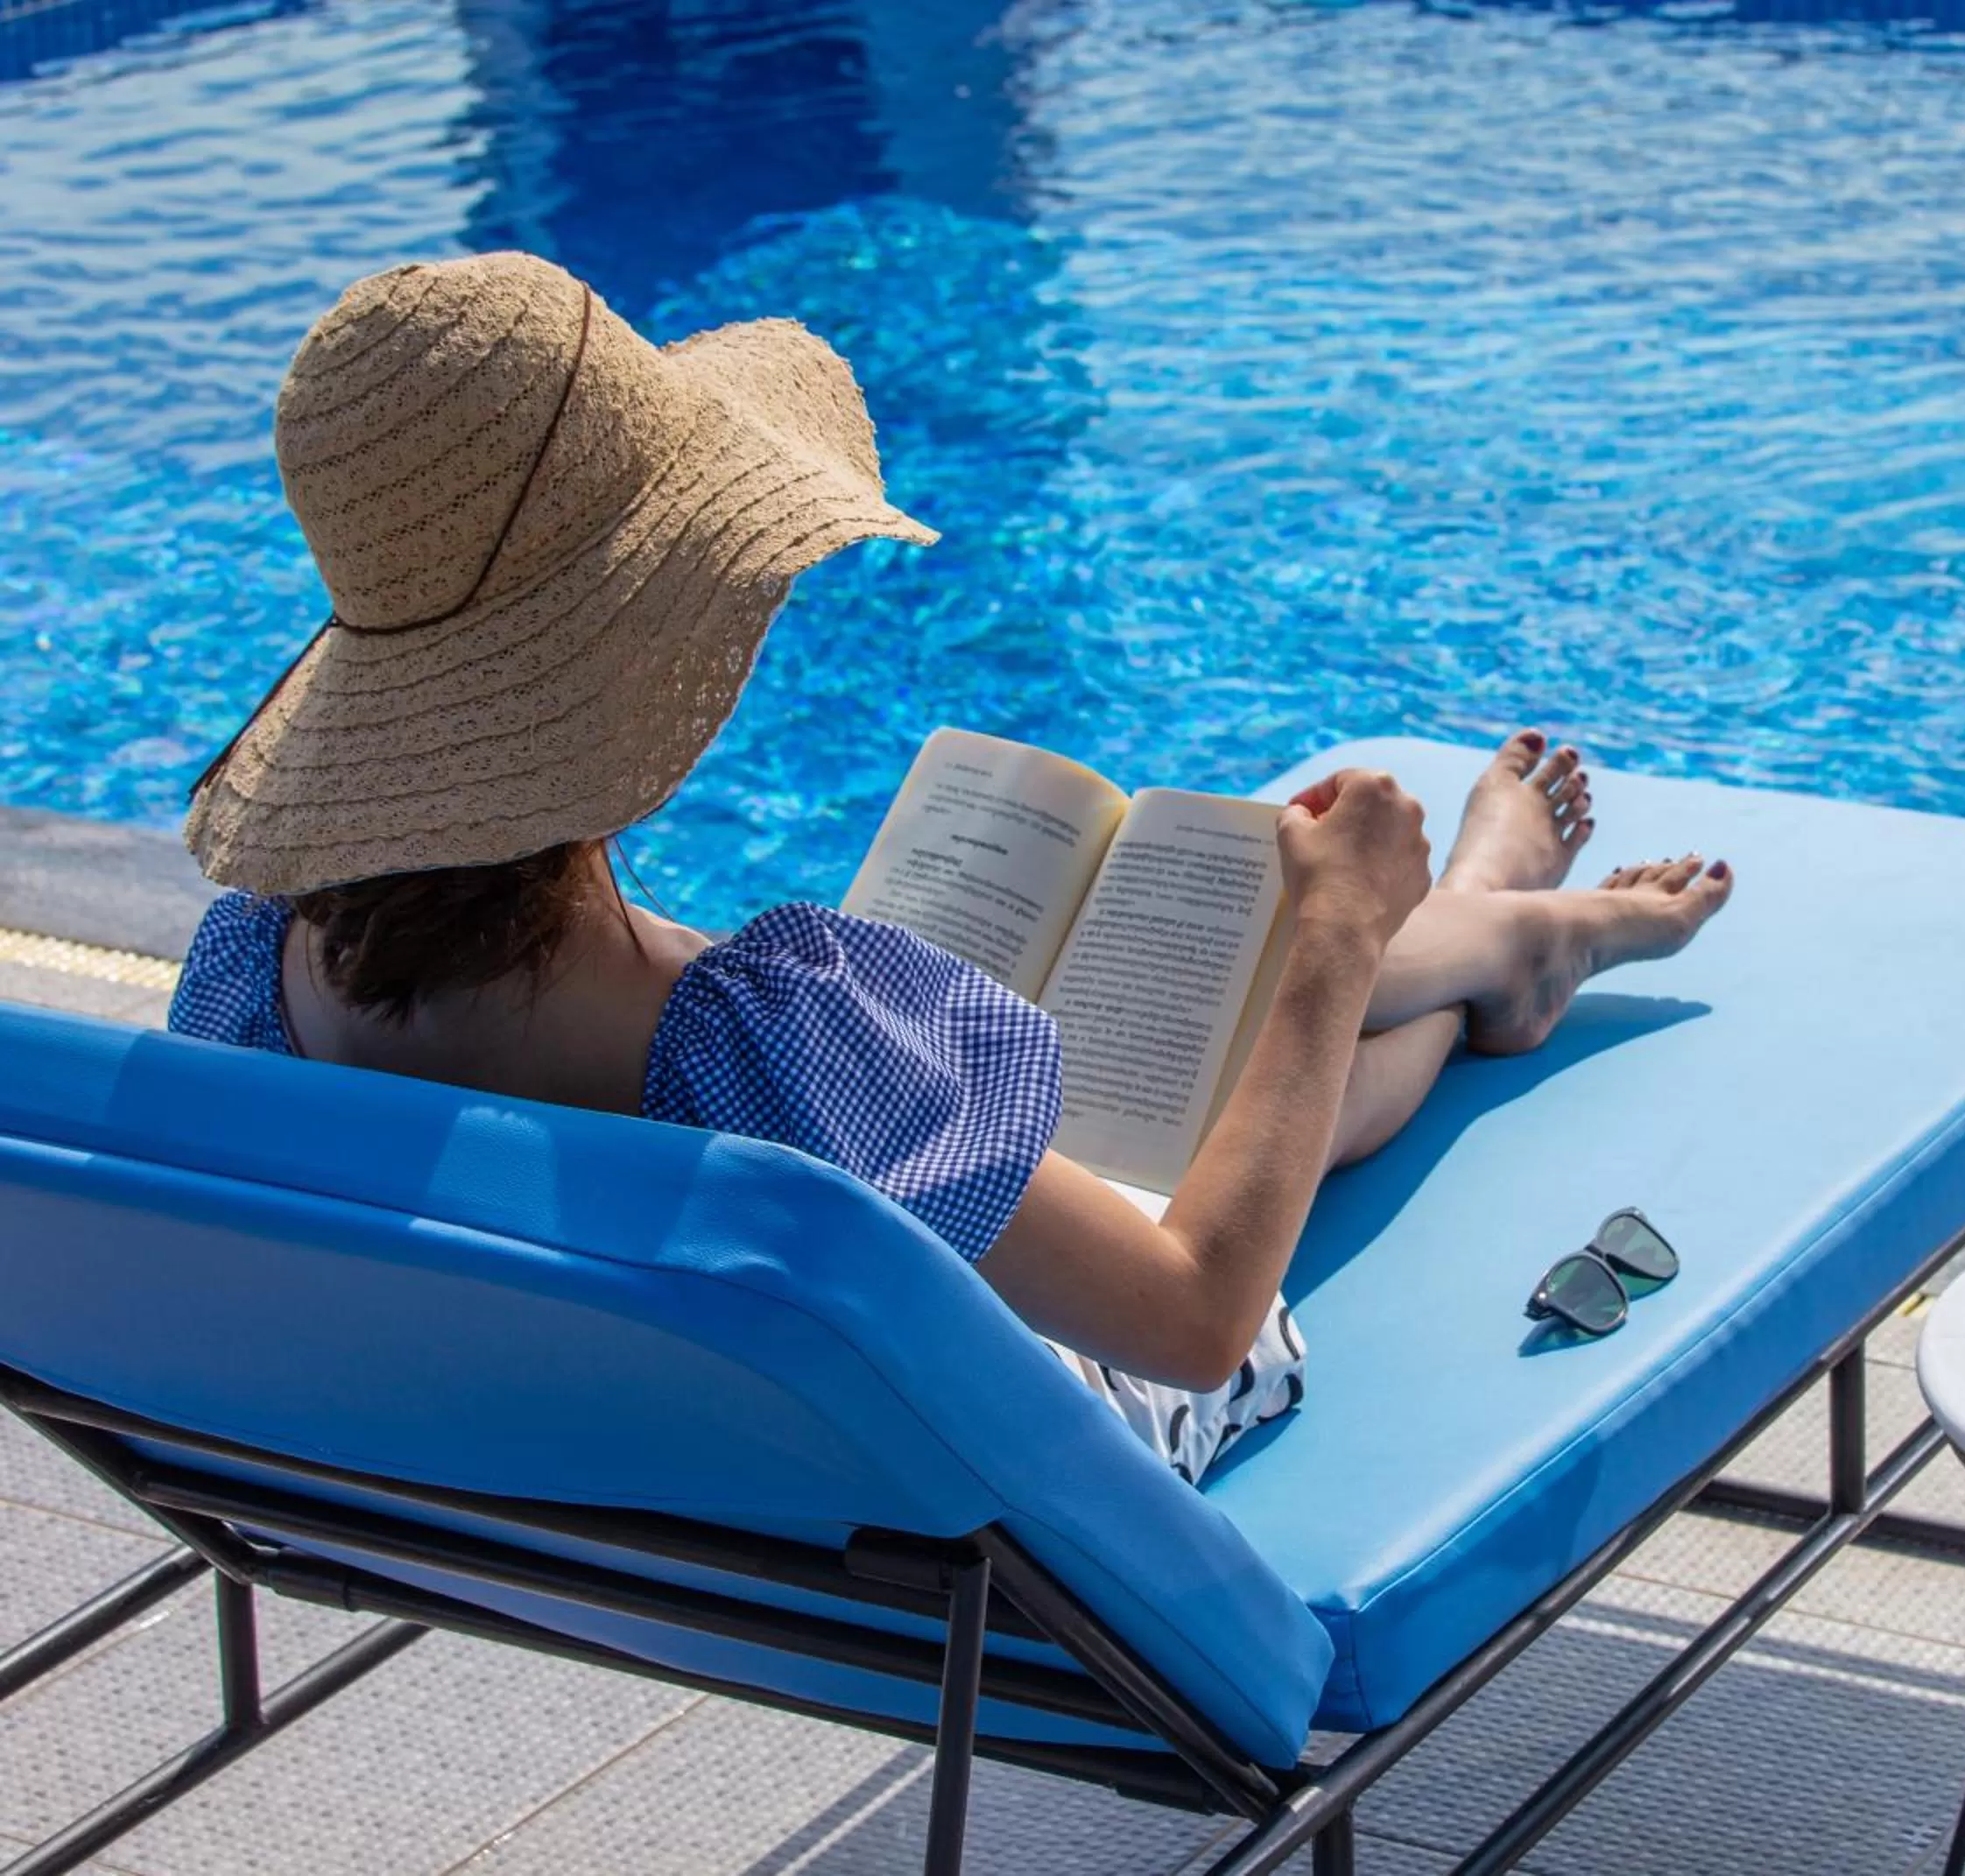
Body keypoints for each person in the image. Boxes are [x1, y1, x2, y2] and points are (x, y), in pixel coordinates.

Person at [170, 253, 1732, 1482]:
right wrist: (1328, 929)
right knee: (1212, 1087)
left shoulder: (252, 975)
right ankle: (1474, 944)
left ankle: (1482, 938)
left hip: (576, 1498)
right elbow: (1196, 1316)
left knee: (1096, 1070)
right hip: (963, 1497)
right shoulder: (778, 1047)